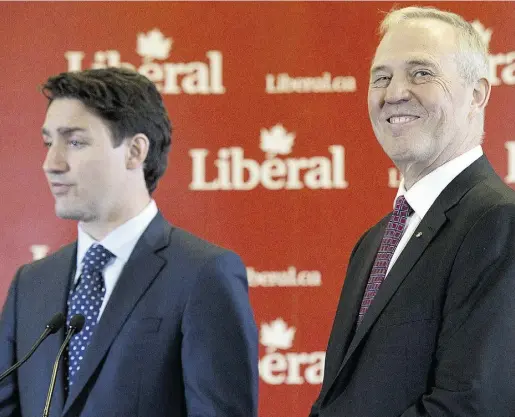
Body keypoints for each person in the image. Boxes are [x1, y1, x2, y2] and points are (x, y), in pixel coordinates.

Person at [0, 67, 258, 417]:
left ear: (135, 152)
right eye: (48, 142)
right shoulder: (31, 284)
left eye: (74, 141)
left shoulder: (203, 275)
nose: (51, 163)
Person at [310, 6, 515, 417]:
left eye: (421, 73)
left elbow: (470, 407)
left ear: (477, 94)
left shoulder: (499, 224)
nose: (394, 93)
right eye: (381, 77)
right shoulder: (375, 240)